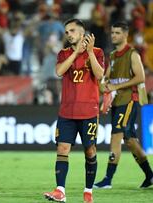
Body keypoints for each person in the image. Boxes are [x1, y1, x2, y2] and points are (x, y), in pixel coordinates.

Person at [43, 19, 105, 203]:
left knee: (90, 151)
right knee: (62, 149)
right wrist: (76, 53)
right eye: (66, 32)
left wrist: (88, 53)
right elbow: (59, 71)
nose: (68, 34)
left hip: (89, 111)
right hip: (67, 111)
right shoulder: (63, 54)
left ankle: (88, 191)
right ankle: (60, 191)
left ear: (81, 33)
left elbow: (100, 75)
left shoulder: (98, 52)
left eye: (72, 31)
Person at [94, 22, 153, 189]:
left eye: (117, 33)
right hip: (117, 102)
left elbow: (141, 77)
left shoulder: (132, 54)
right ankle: (150, 175)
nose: (113, 35)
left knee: (116, 136)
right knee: (130, 141)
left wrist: (115, 87)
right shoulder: (112, 56)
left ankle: (107, 179)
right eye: (112, 32)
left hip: (129, 100)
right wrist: (104, 85)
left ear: (125, 35)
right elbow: (107, 78)